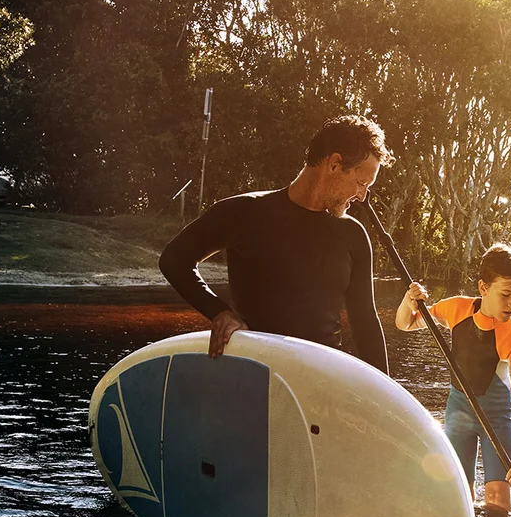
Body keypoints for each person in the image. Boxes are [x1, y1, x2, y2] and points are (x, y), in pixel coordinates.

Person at [159, 114, 391, 372]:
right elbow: (175, 259)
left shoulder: (352, 235)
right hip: (254, 375)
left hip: (321, 380)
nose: (362, 196)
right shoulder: (244, 213)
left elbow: (366, 323)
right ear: (335, 164)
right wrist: (219, 312)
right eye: (361, 183)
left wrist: (387, 393)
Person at [395, 243, 511, 517]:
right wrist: (408, 301)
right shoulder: (456, 309)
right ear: (483, 287)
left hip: (497, 422)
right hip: (458, 416)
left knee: (498, 503)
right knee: (458, 499)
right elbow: (406, 323)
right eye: (506, 294)